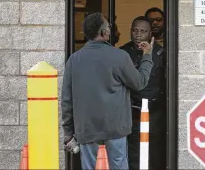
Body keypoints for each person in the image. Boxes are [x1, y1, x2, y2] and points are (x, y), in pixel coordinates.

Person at [61, 12, 155, 170]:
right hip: (115, 128)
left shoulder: (74, 60)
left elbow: (67, 100)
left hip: (86, 129)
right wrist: (147, 56)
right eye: (109, 27)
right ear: (104, 32)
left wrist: (68, 132)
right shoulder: (119, 56)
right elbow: (139, 83)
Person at [120, 16, 166, 170]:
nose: (138, 34)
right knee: (133, 153)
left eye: (143, 31)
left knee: (154, 153)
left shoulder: (160, 53)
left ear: (150, 33)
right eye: (135, 30)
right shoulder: (122, 53)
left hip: (155, 112)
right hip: (131, 111)